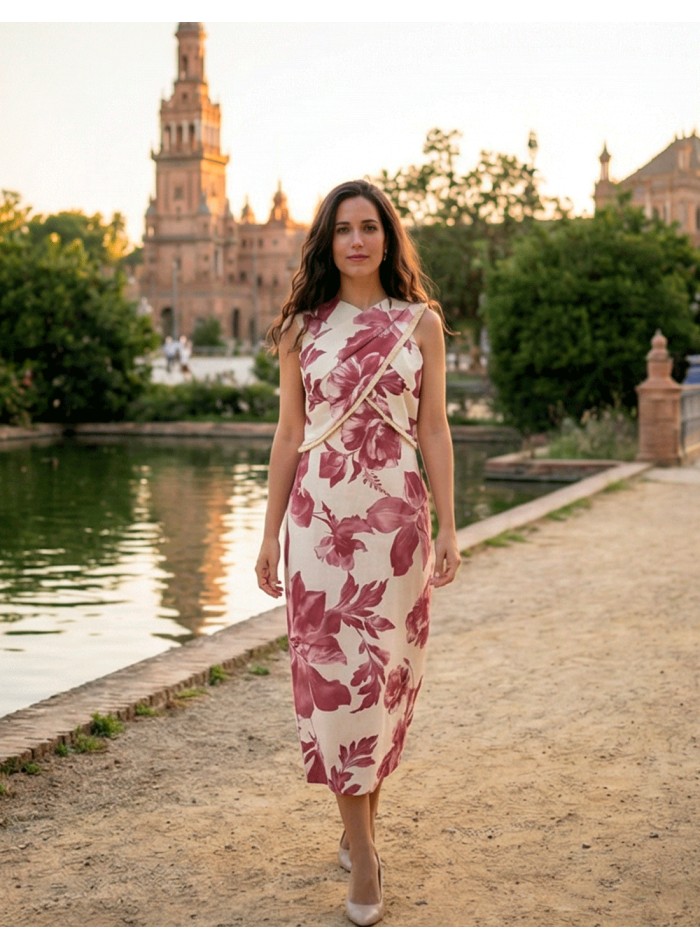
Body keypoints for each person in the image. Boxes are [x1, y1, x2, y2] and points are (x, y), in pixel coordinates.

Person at [255, 179, 460, 926]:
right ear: (326, 241)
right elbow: (288, 433)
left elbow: (433, 429)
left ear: (388, 237)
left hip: (395, 527)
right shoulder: (301, 330)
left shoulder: (420, 324)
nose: (356, 240)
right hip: (318, 525)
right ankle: (366, 854)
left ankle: (360, 823)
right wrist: (269, 533)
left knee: (383, 679)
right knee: (332, 682)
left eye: (369, 227)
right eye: (343, 229)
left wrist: (449, 524)